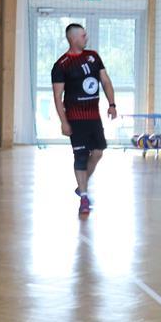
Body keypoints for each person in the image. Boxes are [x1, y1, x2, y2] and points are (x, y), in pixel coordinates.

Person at [51, 22, 118, 214]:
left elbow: (105, 81)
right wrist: (63, 122)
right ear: (73, 39)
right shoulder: (61, 65)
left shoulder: (93, 57)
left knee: (97, 152)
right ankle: (84, 198)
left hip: (93, 117)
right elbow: (57, 97)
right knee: (80, 156)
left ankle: (82, 185)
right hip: (75, 118)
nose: (86, 38)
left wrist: (112, 104)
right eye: (82, 35)